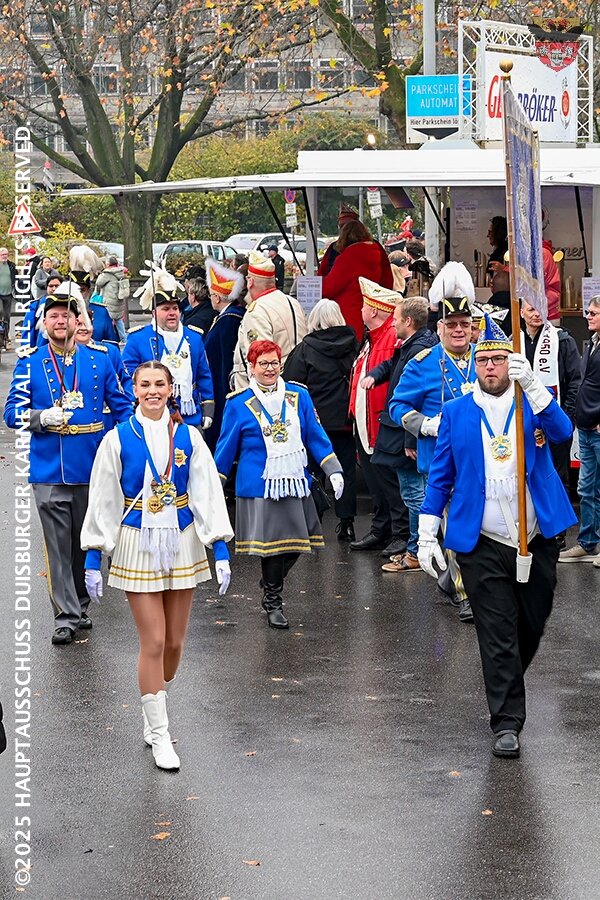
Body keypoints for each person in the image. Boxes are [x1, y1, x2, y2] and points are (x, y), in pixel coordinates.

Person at [418, 314, 576, 758]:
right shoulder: (456, 412)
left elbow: (563, 432)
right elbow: (441, 476)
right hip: (482, 539)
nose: (491, 367)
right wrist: (426, 532)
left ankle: (507, 676)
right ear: (475, 364)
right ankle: (507, 721)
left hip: (536, 535)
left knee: (532, 622)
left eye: (499, 360)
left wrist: (537, 388)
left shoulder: (531, 402)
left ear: (511, 363)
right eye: (484, 360)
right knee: (497, 629)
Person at [81, 360, 233, 771]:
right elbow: (104, 497)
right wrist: (94, 553)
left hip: (182, 539)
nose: (152, 391)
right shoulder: (117, 438)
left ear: (170, 389)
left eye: (160, 384)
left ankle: (154, 703)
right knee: (153, 641)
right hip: (137, 540)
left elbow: (206, 491)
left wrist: (219, 546)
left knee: (174, 644)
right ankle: (160, 734)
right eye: (145, 384)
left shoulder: (189, 436)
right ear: (134, 390)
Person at [4, 288, 133, 644]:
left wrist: (130, 442)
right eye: (54, 317)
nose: (61, 322)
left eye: (67, 316)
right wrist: (39, 418)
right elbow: (11, 413)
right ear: (44, 323)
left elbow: (122, 406)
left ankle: (80, 604)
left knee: (84, 542)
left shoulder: (99, 359)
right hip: (49, 469)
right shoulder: (30, 362)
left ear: (78, 321)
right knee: (59, 547)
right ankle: (65, 615)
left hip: (93, 466)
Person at [214, 340, 344, 630]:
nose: (270, 369)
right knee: (273, 547)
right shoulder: (237, 403)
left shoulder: (299, 396)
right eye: (263, 363)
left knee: (299, 541)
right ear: (251, 367)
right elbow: (226, 448)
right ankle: (273, 601)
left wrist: (333, 468)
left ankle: (270, 583)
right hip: (260, 485)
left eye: (274, 362)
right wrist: (214, 485)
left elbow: (315, 435)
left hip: (295, 480)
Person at [389, 261, 477, 622]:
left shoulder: (486, 358)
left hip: (483, 459)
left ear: (472, 327)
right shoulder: (423, 363)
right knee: (455, 526)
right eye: (451, 325)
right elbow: (397, 406)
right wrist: (424, 425)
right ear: (439, 328)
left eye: (464, 325)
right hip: (442, 461)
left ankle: (451, 579)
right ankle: (465, 592)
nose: (458, 331)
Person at [362, 296, 438, 572]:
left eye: (395, 319)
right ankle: (416, 547)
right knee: (413, 493)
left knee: (415, 494)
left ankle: (416, 552)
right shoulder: (414, 344)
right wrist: (376, 375)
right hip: (402, 433)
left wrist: (410, 439)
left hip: (406, 436)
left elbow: (418, 400)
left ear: (408, 321)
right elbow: (393, 365)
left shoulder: (419, 350)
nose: (392, 324)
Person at [284, 298, 360, 541]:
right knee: (346, 471)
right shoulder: (355, 346)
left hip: (315, 424)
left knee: (313, 471)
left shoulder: (304, 349)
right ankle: (347, 523)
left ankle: (314, 520)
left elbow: (291, 387)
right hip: (346, 421)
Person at [348, 277, 410, 558]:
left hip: (380, 423)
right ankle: (383, 528)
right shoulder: (373, 338)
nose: (361, 310)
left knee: (390, 483)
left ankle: (399, 533)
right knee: (377, 482)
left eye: (364, 306)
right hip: (367, 423)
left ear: (373, 310)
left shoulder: (387, 340)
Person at [520, 299, 581, 544]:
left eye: (540, 309)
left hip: (555, 419)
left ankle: (557, 533)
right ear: (521, 312)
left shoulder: (562, 340)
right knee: (527, 472)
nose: (536, 314)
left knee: (557, 474)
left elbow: (575, 381)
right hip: (524, 422)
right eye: (531, 309)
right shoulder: (515, 341)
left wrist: (566, 416)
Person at [122, 288, 215, 430]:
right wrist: (134, 406)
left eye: (175, 308)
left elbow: (203, 375)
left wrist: (208, 408)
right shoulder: (137, 339)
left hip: (189, 414)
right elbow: (128, 377)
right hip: (150, 414)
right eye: (166, 309)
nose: (172, 313)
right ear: (154, 313)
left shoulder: (194, 337)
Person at [560, 295, 600, 563]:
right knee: (586, 489)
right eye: (588, 311)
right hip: (586, 428)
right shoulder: (593, 343)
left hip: (596, 428)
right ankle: (588, 543)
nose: (588, 316)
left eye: (594, 313)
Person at [232, 250, 307, 390]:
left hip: (270, 389)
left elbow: (260, 360)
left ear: (250, 282)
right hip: (296, 382)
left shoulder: (257, 311)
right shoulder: (292, 302)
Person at [321, 220, 394, 339]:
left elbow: (328, 289)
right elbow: (387, 283)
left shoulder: (347, 258)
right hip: (370, 313)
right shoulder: (376, 253)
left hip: (347, 315)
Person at [203, 259, 246, 452]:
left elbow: (227, 359)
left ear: (218, 298)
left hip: (222, 385)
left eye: (212, 295)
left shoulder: (229, 320)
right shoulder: (225, 317)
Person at [21, 273, 63, 349]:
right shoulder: (36, 305)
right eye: (51, 286)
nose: (54, 289)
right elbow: (28, 330)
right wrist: (27, 350)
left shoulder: (70, 305)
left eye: (57, 286)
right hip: (41, 348)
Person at [318, 203, 360, 276]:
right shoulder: (333, 248)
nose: (343, 229)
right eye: (340, 226)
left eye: (346, 225)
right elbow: (322, 273)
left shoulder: (369, 246)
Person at [94, 255, 128, 341]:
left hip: (109, 299)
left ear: (108, 264)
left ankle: (110, 337)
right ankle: (123, 338)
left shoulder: (108, 274)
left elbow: (98, 283)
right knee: (118, 319)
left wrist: (100, 275)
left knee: (107, 318)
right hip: (118, 298)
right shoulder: (120, 272)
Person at [0, 246, 16, 348]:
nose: (4, 256)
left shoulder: (11, 265)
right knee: (0, 311)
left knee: (7, 316)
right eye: (2, 255)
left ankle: (5, 336)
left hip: (8, 294)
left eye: (6, 254)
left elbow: (15, 276)